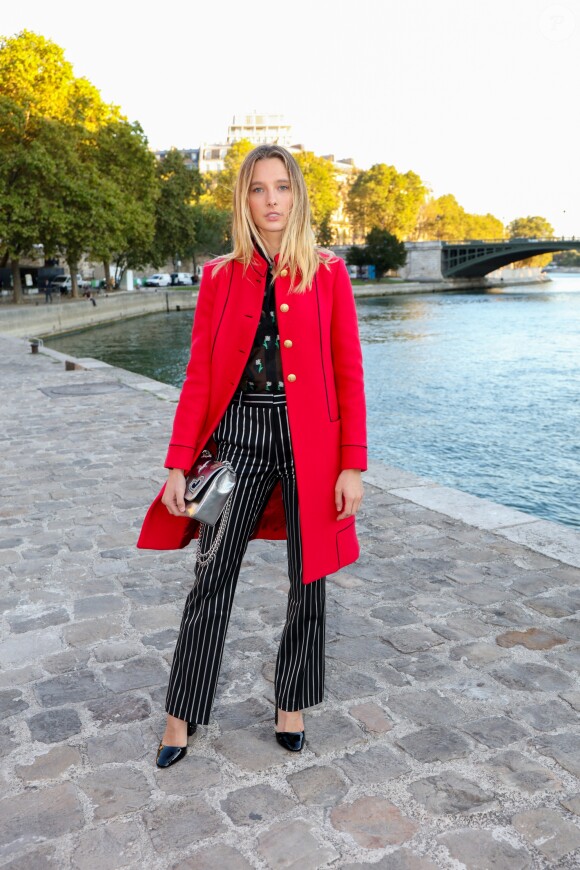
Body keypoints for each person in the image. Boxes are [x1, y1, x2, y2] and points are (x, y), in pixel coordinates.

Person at [137, 144, 367, 769]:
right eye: (258, 189)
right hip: (234, 443)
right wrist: (179, 462)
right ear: (243, 199)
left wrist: (352, 462)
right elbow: (200, 377)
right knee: (210, 580)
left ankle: (290, 706)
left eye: (281, 187)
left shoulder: (328, 272)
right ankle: (180, 714)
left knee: (309, 582)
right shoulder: (219, 275)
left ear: (297, 196)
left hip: (310, 449)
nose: (271, 200)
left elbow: (349, 372)